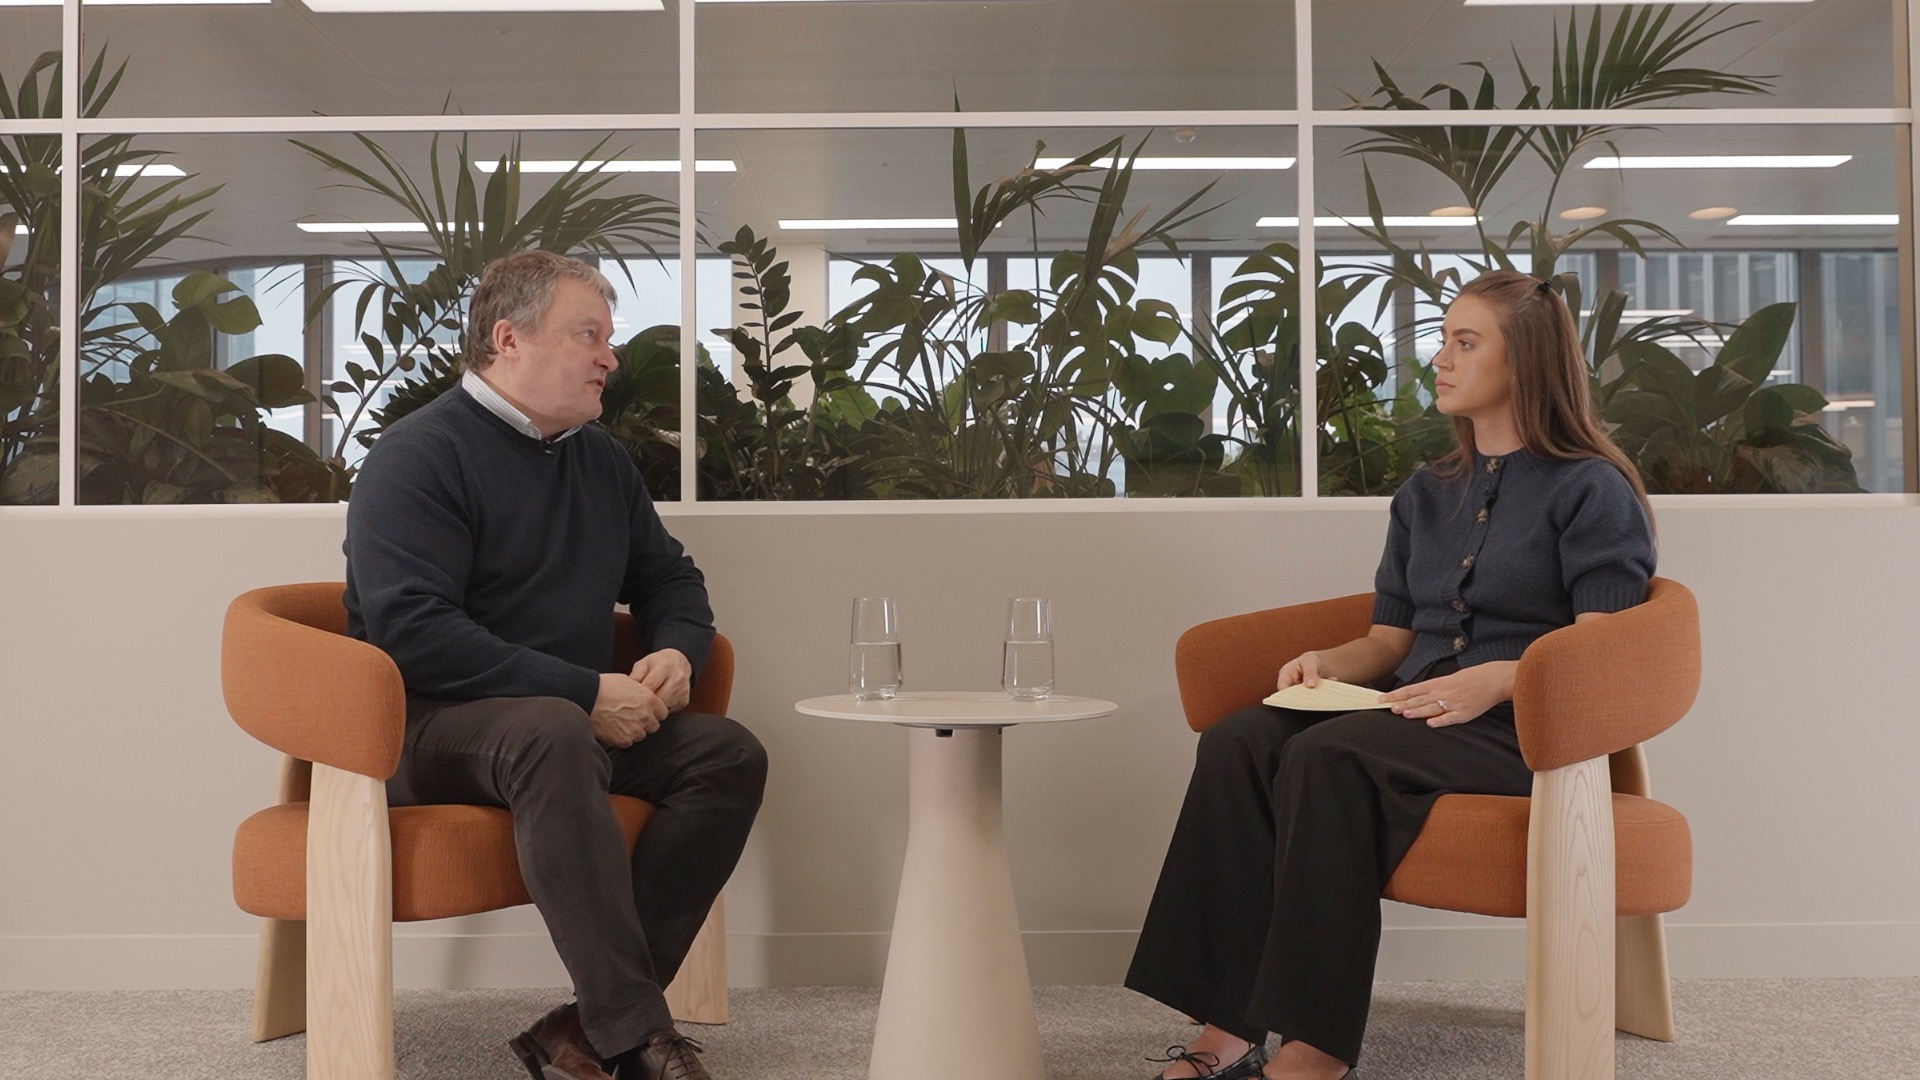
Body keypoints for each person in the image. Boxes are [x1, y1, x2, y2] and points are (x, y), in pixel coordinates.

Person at [1124, 270, 1657, 1080]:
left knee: (1326, 756)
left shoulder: (1592, 489)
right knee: (1241, 739)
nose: (1441, 358)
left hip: (1520, 730)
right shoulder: (1427, 493)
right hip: (1410, 708)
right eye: (1444, 339)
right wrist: (1325, 666)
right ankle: (1226, 1027)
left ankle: (1317, 1046)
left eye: (1465, 343)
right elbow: (1389, 639)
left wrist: (1498, 679)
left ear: (1525, 362)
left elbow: (1602, 649)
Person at [344, 250, 767, 1080]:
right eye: (589, 336)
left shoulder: (598, 460)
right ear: (509, 339)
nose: (611, 357)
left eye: (608, 338)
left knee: (726, 754)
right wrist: (582, 691)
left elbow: (669, 579)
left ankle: (590, 1027)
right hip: (428, 727)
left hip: (561, 723)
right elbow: (412, 630)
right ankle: (637, 1042)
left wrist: (676, 649)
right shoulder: (417, 456)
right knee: (551, 730)